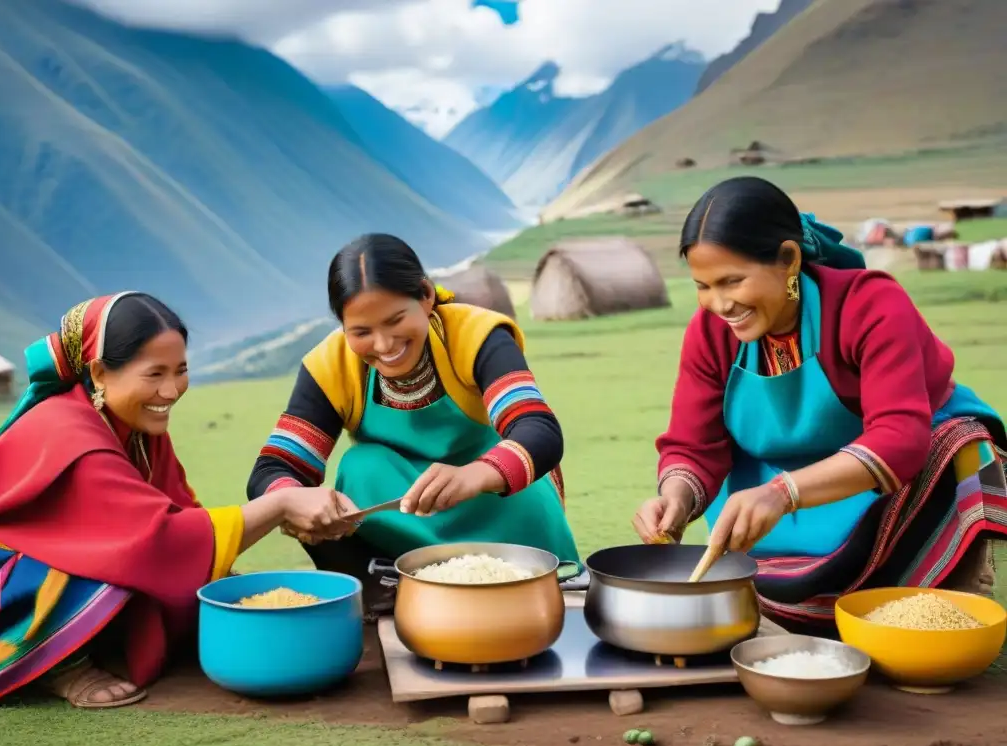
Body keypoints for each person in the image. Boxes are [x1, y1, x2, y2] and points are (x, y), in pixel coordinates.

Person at [634, 177, 1007, 627]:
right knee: (766, 599)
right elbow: (694, 443)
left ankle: (956, 578)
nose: (720, 304)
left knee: (960, 439)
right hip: (776, 492)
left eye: (732, 281)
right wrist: (676, 500)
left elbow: (899, 439)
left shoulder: (870, 305)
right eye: (703, 285)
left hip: (889, 484)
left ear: (788, 259)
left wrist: (783, 493)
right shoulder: (710, 331)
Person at [0, 293, 361, 709]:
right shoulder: (68, 432)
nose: (171, 390)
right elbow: (153, 540)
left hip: (71, 558)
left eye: (181, 370)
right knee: (113, 561)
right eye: (154, 374)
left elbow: (181, 513)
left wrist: (222, 575)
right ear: (100, 372)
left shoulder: (133, 426)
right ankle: (60, 666)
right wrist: (281, 504)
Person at [248, 234, 580, 614]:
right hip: (404, 523)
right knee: (361, 465)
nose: (384, 344)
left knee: (520, 483)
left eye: (395, 320)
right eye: (361, 332)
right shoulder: (329, 366)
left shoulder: (476, 336)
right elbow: (272, 470)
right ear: (342, 326)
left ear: (425, 296)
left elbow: (538, 431)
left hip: (498, 503)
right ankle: (382, 590)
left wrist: (475, 475)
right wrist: (296, 499)